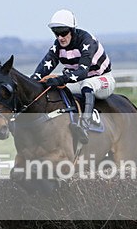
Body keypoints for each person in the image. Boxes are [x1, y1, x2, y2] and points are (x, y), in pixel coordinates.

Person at [32, 9, 115, 144]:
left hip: (102, 79)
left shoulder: (87, 41)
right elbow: (43, 68)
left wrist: (60, 79)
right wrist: (31, 83)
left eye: (63, 32)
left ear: (72, 30)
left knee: (87, 85)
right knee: (54, 90)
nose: (60, 37)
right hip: (78, 81)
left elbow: (82, 72)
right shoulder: (58, 45)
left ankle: (85, 125)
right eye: (56, 33)